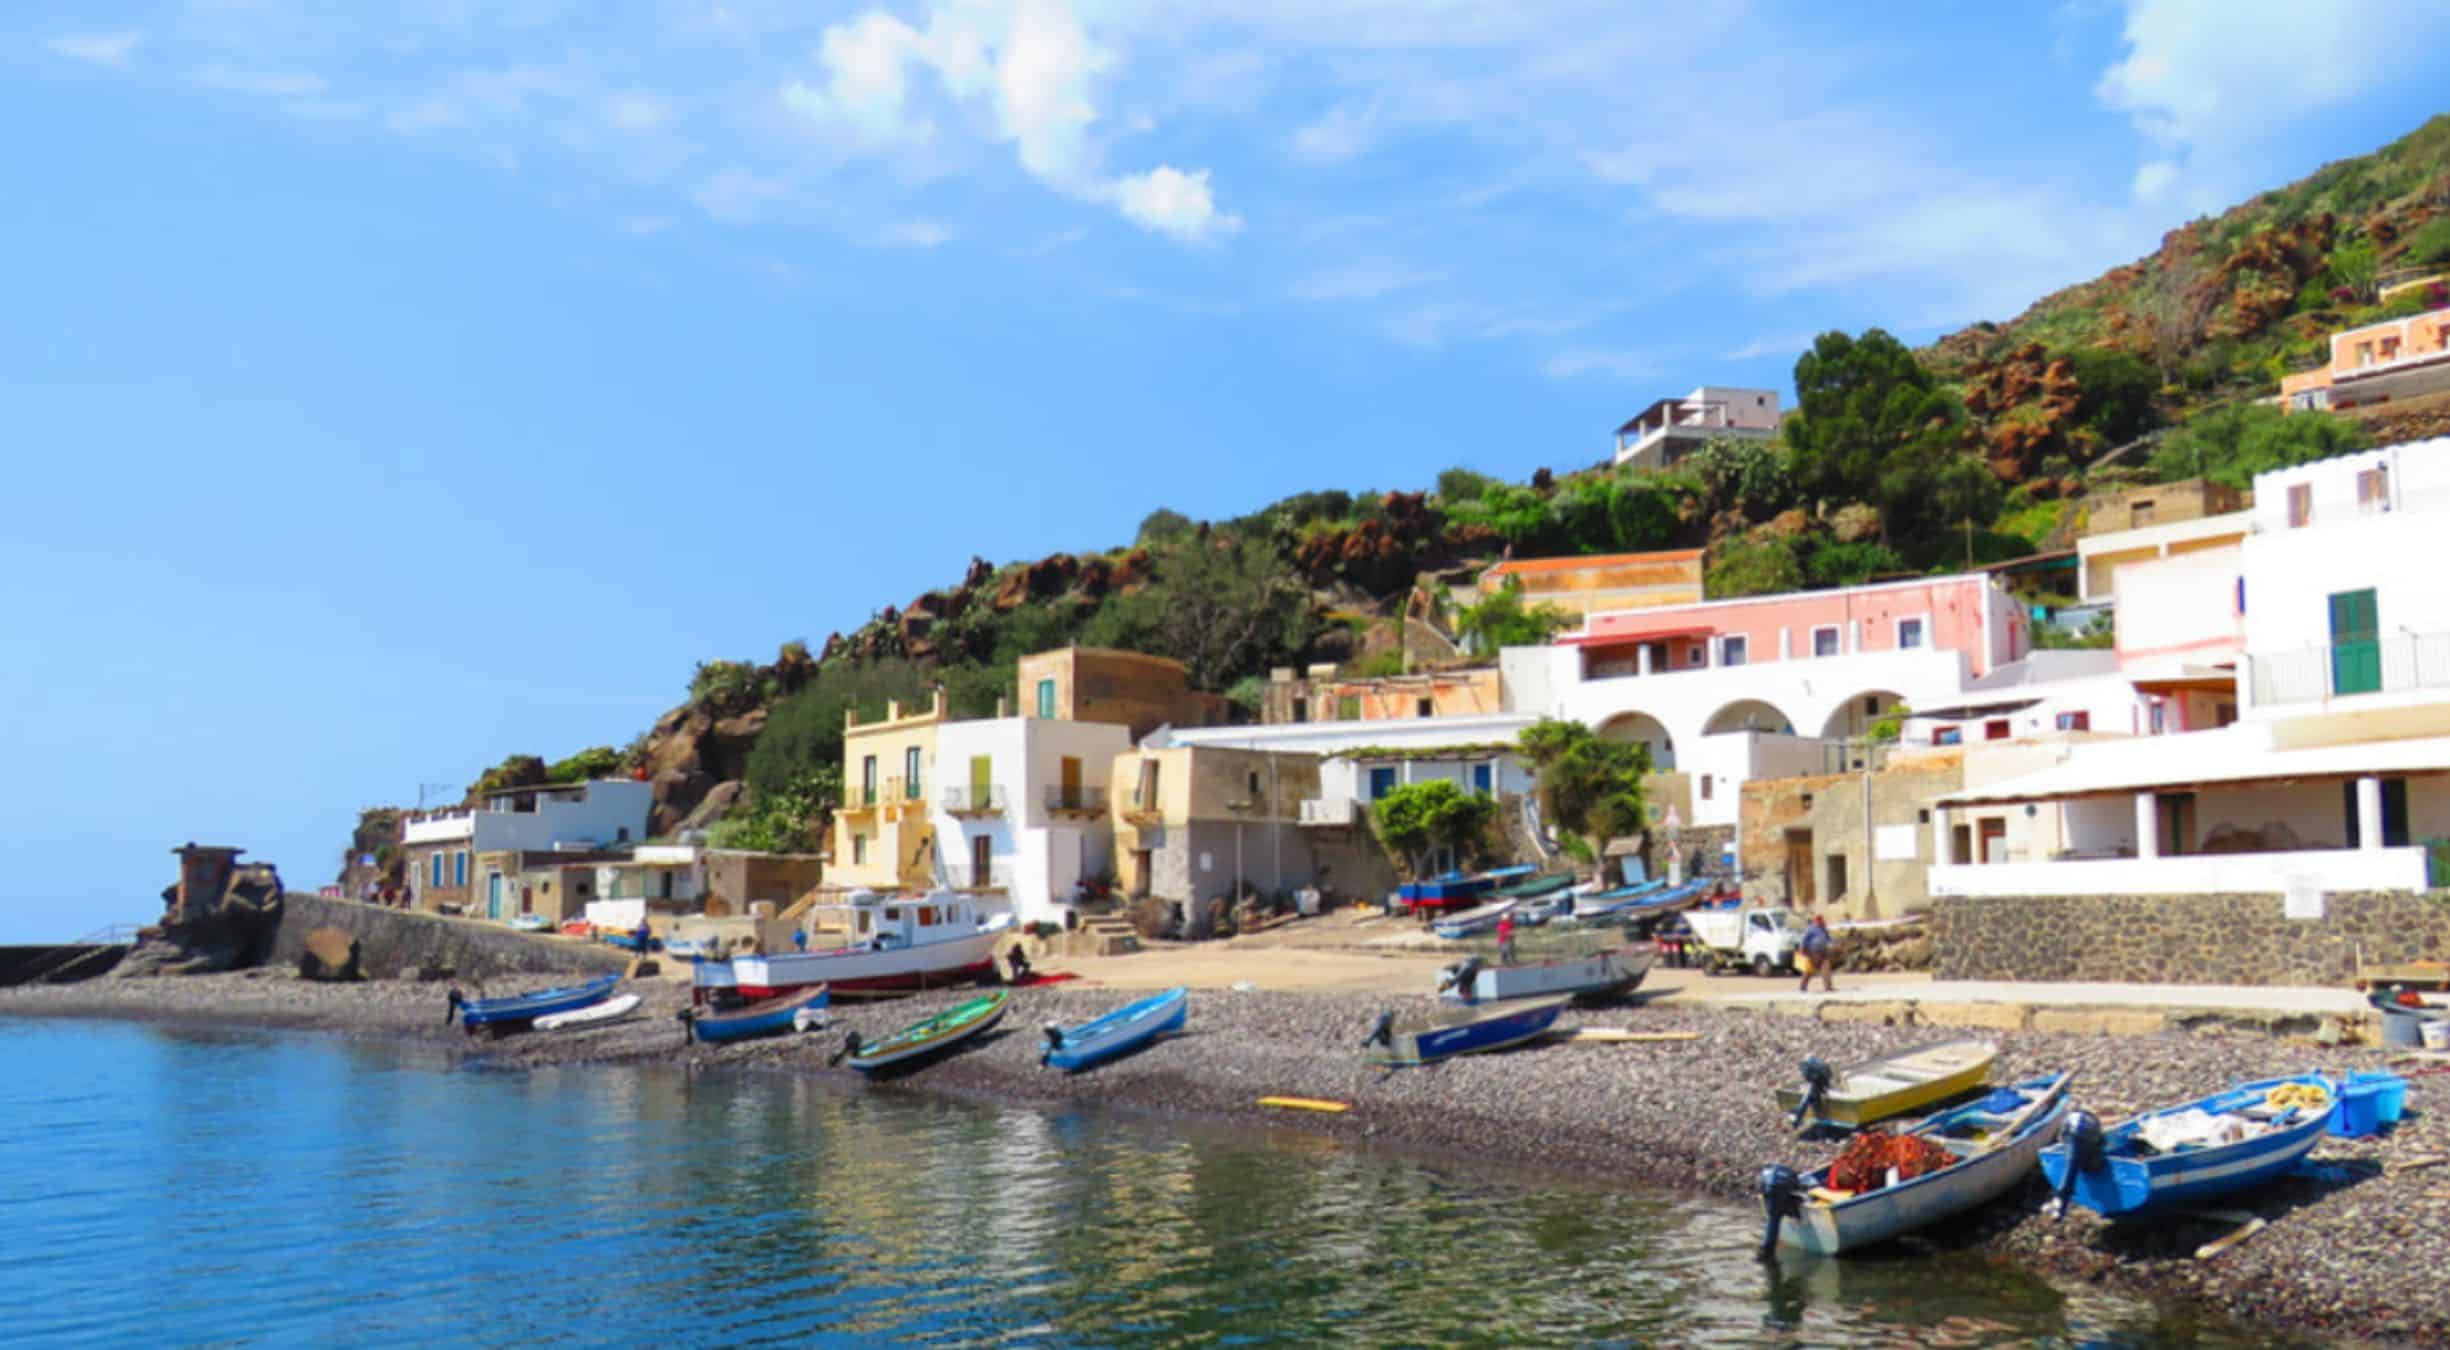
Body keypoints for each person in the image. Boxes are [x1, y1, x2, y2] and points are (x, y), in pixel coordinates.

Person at [1799, 915, 1834, 994]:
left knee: (1826, 968)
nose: (1820, 922)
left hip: (1823, 951)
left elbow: (1828, 939)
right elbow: (1804, 939)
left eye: (1821, 920)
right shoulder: (1811, 929)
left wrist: (1832, 944)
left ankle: (1828, 987)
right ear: (1815, 921)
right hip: (1813, 952)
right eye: (1818, 920)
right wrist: (1802, 948)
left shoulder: (1824, 929)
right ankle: (1803, 986)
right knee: (1809, 970)